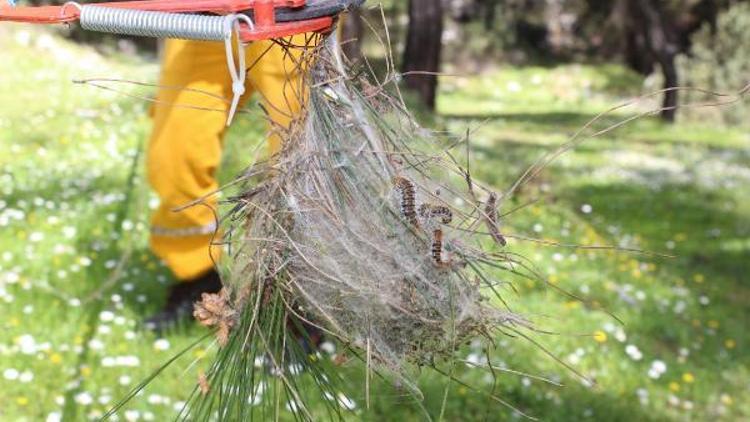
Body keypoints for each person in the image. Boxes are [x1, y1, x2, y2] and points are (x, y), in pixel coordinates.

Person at [144, 34, 313, 331]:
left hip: (291, 13)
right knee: (174, 152)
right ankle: (198, 279)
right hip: (201, 16)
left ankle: (300, 303)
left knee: (300, 155)